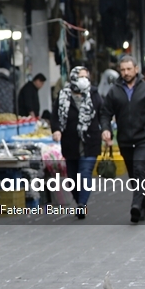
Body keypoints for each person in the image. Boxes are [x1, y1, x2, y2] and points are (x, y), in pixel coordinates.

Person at [100, 55, 145, 223]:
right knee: (133, 174)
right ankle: (144, 205)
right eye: (122, 70)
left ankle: (136, 205)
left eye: (129, 69)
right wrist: (106, 129)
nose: (126, 73)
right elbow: (105, 113)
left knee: (139, 169)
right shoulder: (114, 91)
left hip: (144, 137)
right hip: (124, 139)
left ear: (136, 69)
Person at [50, 66, 102, 219]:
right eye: (80, 77)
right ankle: (79, 199)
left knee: (85, 172)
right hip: (70, 142)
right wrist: (56, 130)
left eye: (86, 76)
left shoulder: (94, 94)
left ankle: (82, 204)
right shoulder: (63, 95)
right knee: (72, 177)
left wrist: (106, 130)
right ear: (73, 78)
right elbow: (55, 116)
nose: (84, 80)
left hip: (90, 141)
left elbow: (102, 114)